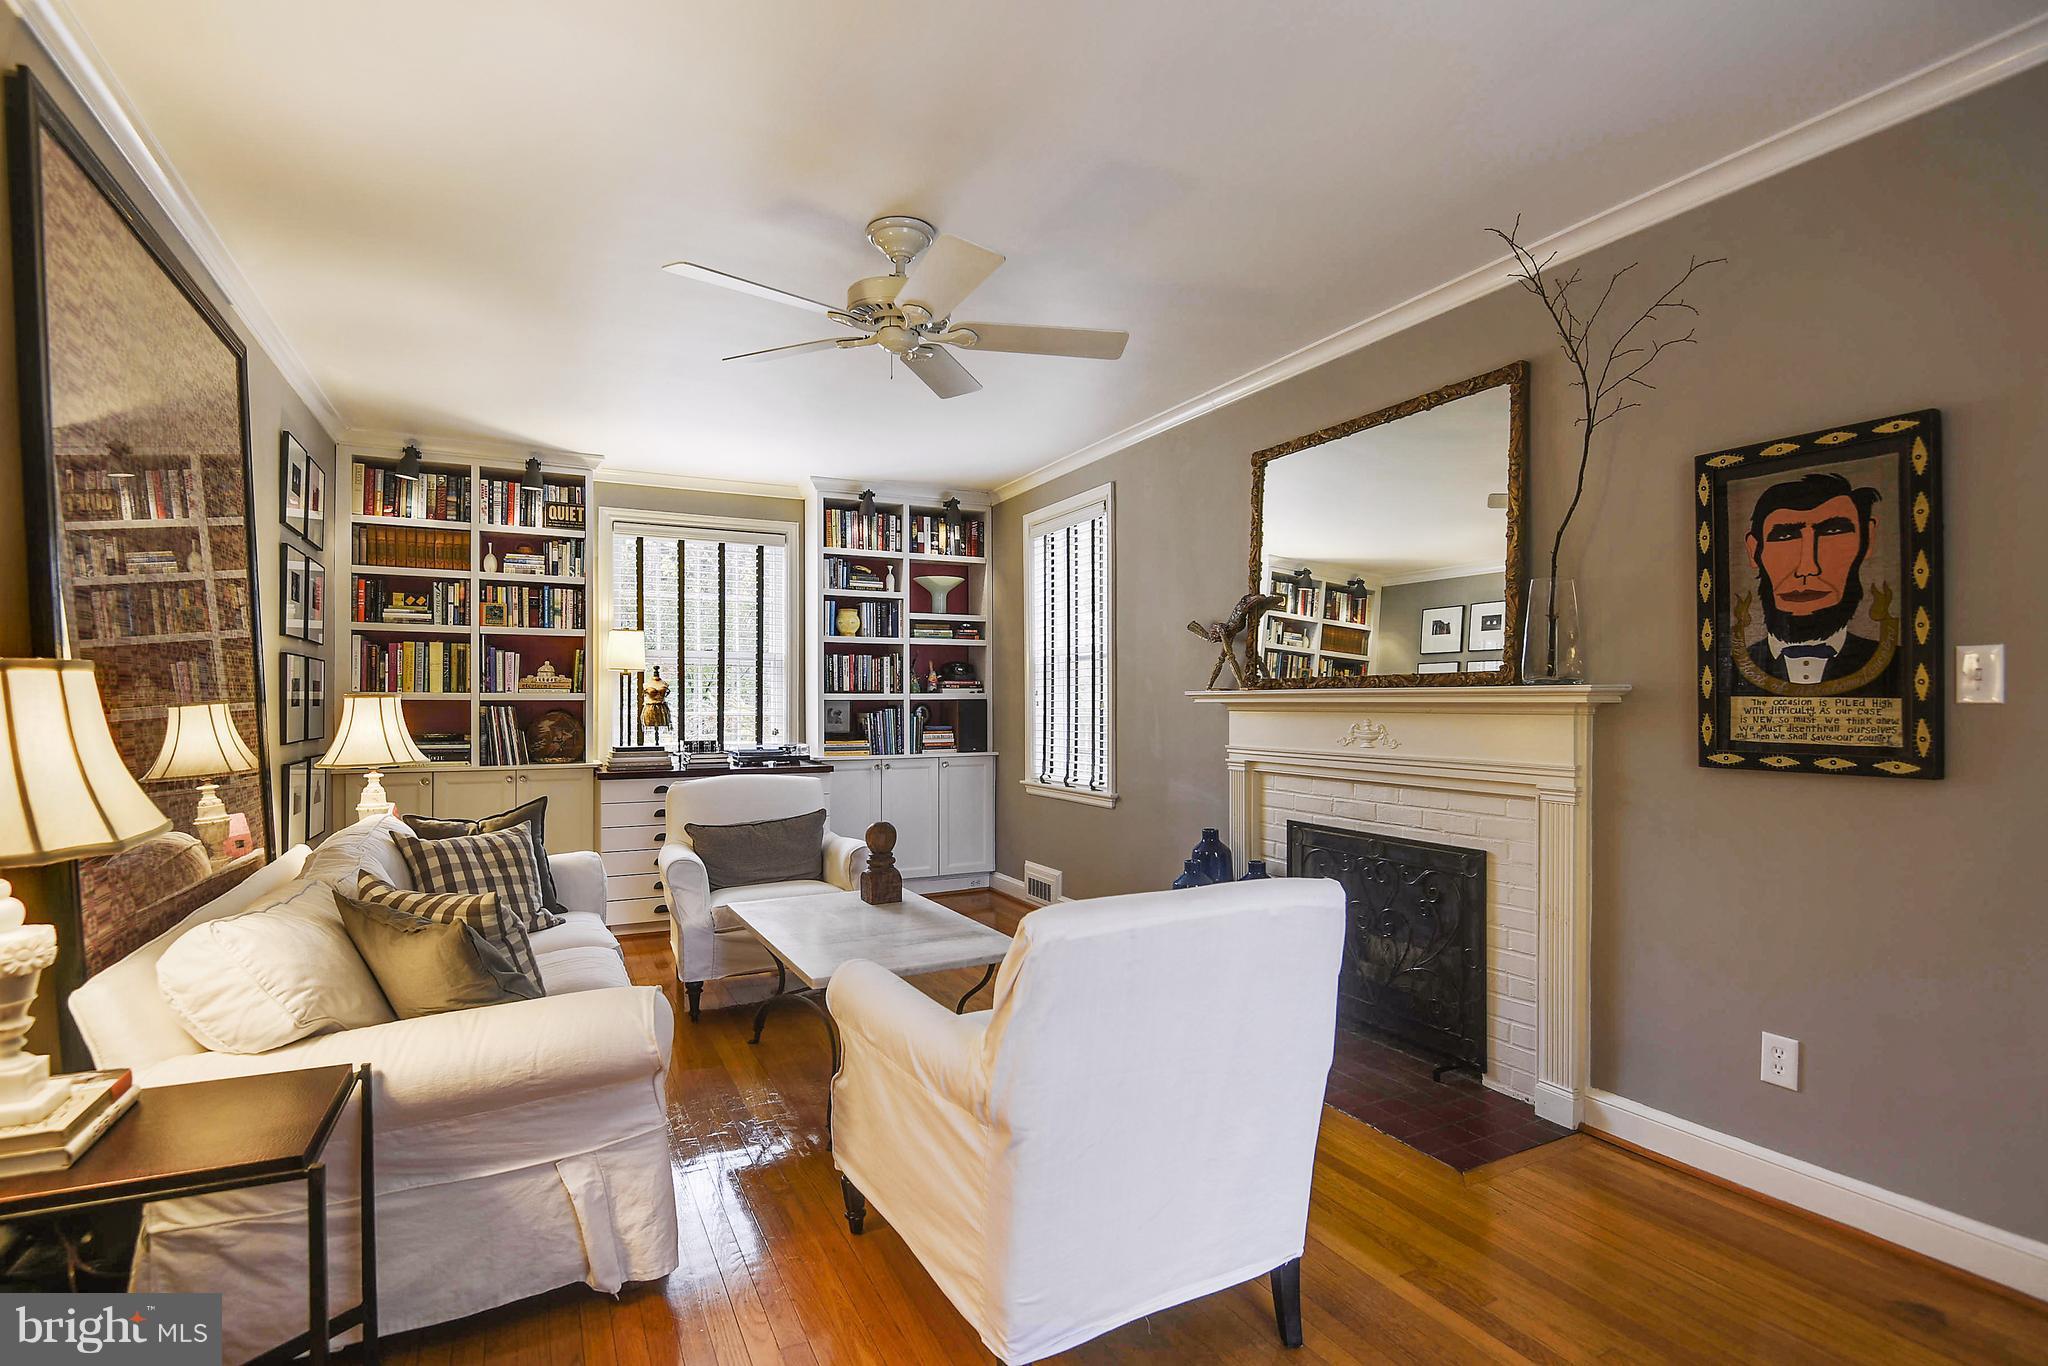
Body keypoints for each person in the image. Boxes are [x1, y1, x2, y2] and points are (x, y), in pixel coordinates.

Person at [1738, 471, 1894, 695]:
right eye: (1785, 537)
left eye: (1833, 531)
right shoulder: (1731, 664)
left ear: (1867, 539)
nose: (1807, 568)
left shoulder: (1897, 663)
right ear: (1754, 551)